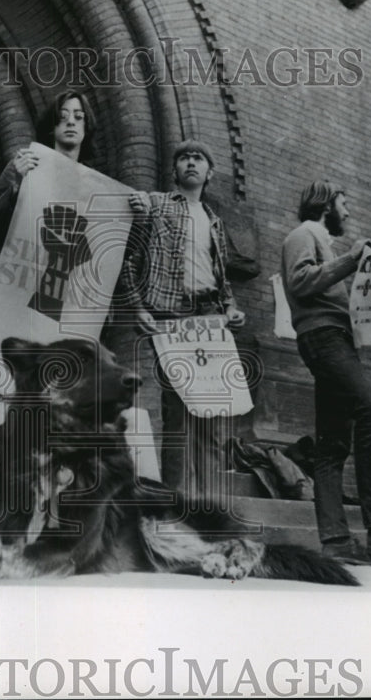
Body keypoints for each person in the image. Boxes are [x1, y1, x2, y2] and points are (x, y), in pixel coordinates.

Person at [281, 181, 371, 566]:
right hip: (325, 339)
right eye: (344, 204)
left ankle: (337, 541)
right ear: (326, 204)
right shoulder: (303, 233)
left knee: (332, 444)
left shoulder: (317, 238)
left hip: (336, 339)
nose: (348, 212)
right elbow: (300, 281)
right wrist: (351, 258)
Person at [119, 140, 246, 505]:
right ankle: (175, 509)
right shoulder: (155, 204)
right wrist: (138, 307)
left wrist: (231, 308)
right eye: (184, 158)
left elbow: (222, 281)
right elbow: (130, 262)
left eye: (199, 158)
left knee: (210, 419)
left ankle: (210, 509)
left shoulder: (215, 221)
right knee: (177, 415)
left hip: (210, 319)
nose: (191, 163)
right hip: (171, 318)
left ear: (209, 171)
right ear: (175, 170)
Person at [0, 89, 95, 247]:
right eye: (62, 116)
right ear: (51, 127)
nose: (71, 122)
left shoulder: (94, 183)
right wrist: (17, 189)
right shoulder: (23, 166)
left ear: (86, 126)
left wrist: (136, 215)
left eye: (79, 117)